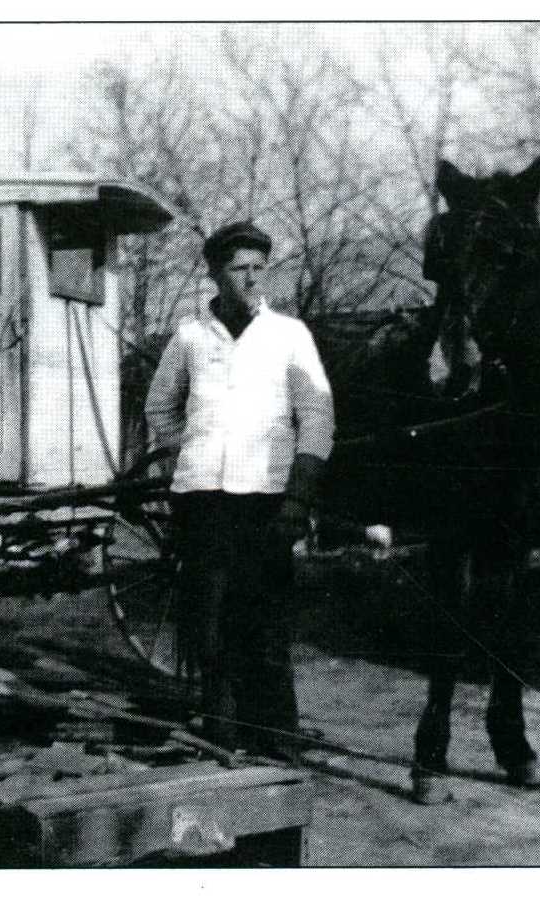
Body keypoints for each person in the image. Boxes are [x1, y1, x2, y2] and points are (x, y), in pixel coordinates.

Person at [144, 221, 334, 756]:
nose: (251, 279)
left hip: (268, 500)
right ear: (214, 273)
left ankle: (276, 735)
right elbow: (159, 407)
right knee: (207, 619)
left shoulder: (290, 335)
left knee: (267, 620)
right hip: (202, 500)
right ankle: (221, 731)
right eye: (239, 269)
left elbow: (317, 414)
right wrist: (194, 448)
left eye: (259, 268)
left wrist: (299, 492)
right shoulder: (190, 336)